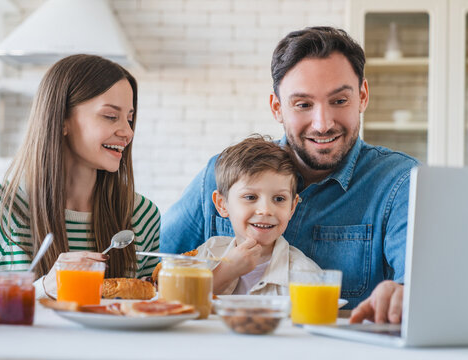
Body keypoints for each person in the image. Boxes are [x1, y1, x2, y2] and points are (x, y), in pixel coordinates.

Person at [160, 27, 419, 323]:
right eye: (303, 105)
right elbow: (152, 271)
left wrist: (404, 296)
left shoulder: (402, 183)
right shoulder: (220, 175)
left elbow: (423, 290)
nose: (322, 124)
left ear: (362, 97)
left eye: (339, 101)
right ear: (277, 107)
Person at [0, 54, 160, 298]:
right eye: (110, 116)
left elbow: (150, 306)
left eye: (129, 118)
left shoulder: (142, 215)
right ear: (62, 120)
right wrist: (43, 289)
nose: (127, 132)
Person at [194, 135, 320, 295]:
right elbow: (174, 306)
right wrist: (225, 271)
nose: (265, 210)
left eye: (279, 199)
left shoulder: (306, 276)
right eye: (250, 197)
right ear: (222, 204)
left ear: (292, 207)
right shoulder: (207, 253)